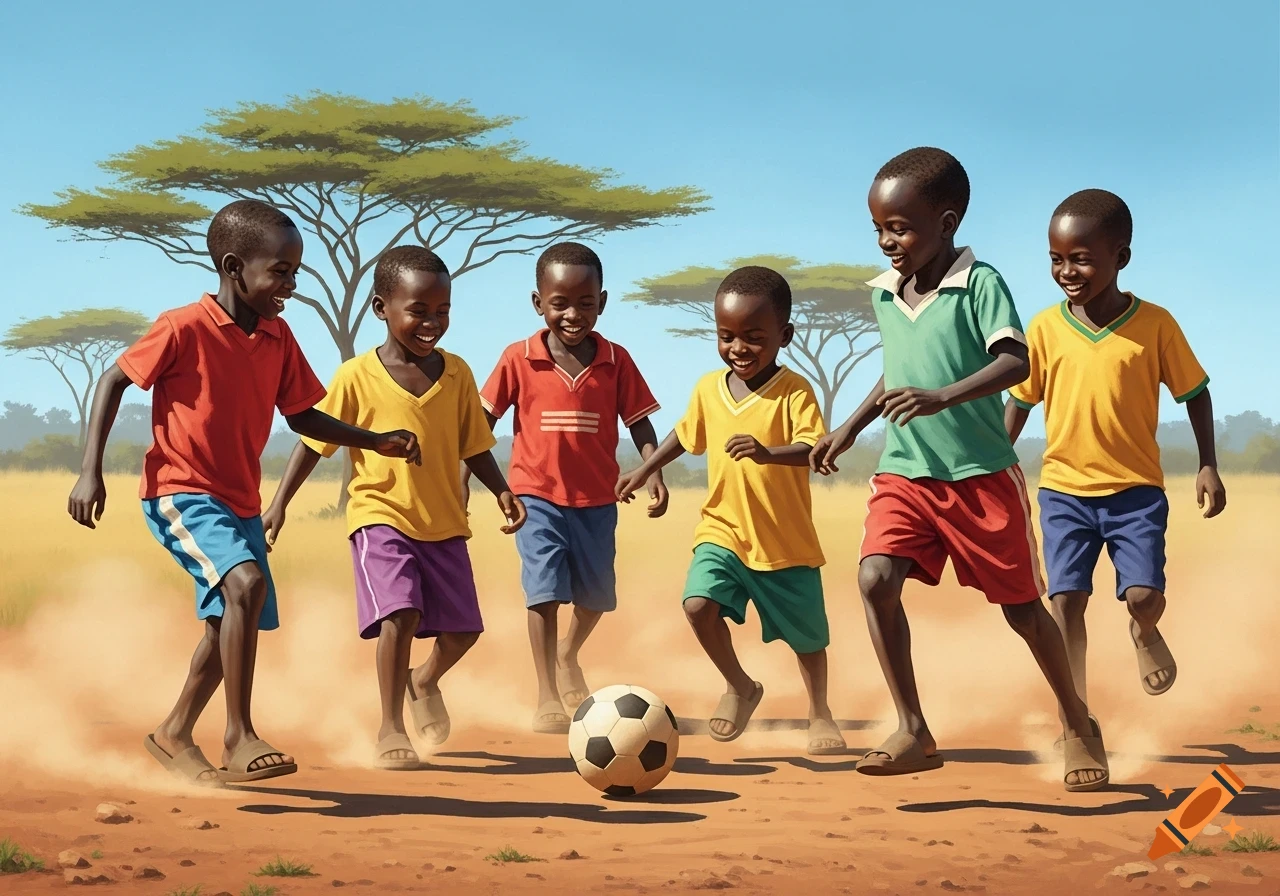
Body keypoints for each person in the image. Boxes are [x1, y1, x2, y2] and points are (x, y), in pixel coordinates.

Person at [67, 199, 421, 785]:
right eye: (280, 271)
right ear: (235, 268)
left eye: (295, 271)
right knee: (245, 585)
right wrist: (90, 470)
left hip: (239, 500)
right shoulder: (182, 326)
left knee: (232, 616)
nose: (291, 283)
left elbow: (306, 414)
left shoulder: (279, 338)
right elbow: (113, 379)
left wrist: (375, 438)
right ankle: (238, 735)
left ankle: (174, 731)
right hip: (181, 490)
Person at [811, 148, 1107, 791]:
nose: (889, 242)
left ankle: (1078, 721)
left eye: (902, 228)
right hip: (906, 472)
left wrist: (943, 396)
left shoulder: (981, 284)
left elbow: (1014, 362)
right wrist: (850, 427)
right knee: (875, 578)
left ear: (946, 223)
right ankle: (913, 727)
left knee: (1026, 613)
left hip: (980, 478)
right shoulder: (887, 293)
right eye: (880, 229)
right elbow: (898, 370)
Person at [264, 246, 524, 769]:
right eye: (419, 311)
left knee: (464, 631)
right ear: (382, 308)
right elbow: (313, 442)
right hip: (380, 516)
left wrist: (500, 489)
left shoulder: (457, 374)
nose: (432, 322)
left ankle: (421, 681)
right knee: (400, 613)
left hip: (445, 520)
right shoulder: (356, 376)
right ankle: (389, 727)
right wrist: (279, 504)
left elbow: (475, 443)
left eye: (442, 311)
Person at [1006, 189, 1225, 735]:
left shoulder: (1155, 324)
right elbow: (1020, 403)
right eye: (1056, 259)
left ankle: (1144, 631)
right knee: (1066, 603)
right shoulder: (1043, 328)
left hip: (1136, 494)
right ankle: (1073, 713)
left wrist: (1208, 464)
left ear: (1120, 257)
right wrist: (995, 460)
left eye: (1080, 258)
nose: (1066, 271)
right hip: (1063, 493)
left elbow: (1194, 392)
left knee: (1145, 596)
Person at [617, 265, 846, 756]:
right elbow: (686, 433)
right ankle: (740, 685)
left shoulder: (795, 391)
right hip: (722, 529)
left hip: (784, 542)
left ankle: (820, 712)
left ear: (784, 335)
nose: (738, 348)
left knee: (808, 641)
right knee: (698, 605)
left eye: (753, 337)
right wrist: (644, 470)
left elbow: (814, 448)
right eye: (726, 336)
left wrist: (767, 453)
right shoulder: (707, 388)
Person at [471, 242, 667, 734]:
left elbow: (641, 424)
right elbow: (480, 424)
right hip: (534, 496)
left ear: (602, 302)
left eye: (585, 303)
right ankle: (547, 695)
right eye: (560, 303)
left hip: (599, 499)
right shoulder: (518, 358)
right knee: (544, 593)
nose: (573, 314)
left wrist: (653, 473)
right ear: (539, 303)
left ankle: (567, 654)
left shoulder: (616, 360)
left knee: (597, 599)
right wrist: (467, 484)